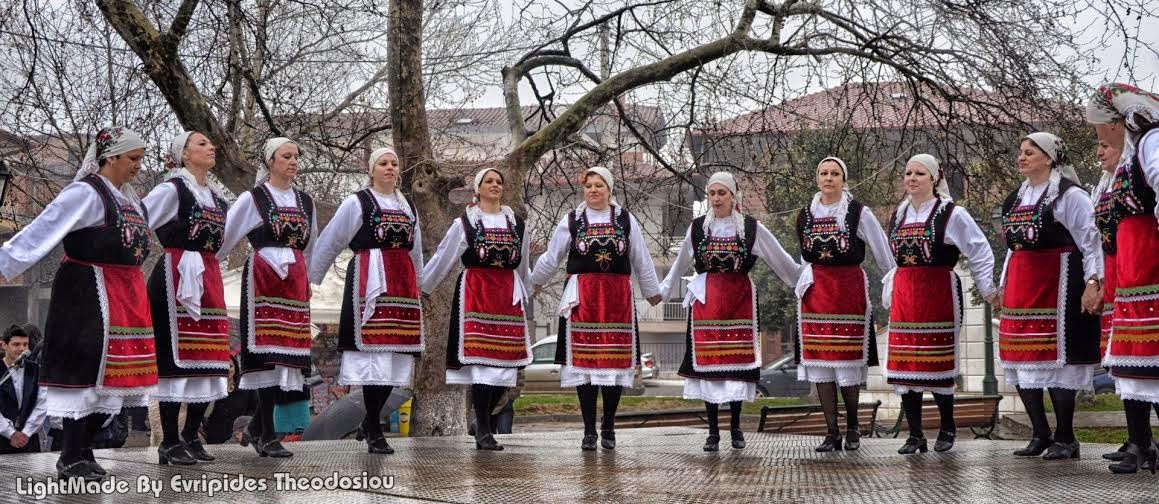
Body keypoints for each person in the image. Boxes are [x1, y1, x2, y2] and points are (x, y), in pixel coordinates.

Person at [0, 126, 158, 480]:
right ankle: (70, 454)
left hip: (124, 295)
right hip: (88, 294)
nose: (138, 166)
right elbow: (42, 230)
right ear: (110, 157)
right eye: (133, 159)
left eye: (140, 159)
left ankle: (84, 450)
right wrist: (4, 263)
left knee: (112, 382)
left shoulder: (130, 200)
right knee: (85, 374)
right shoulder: (85, 194)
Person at [658, 171, 801, 451]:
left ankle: (735, 428)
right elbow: (679, 264)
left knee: (735, 365)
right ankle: (713, 431)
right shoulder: (698, 228)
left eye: (721, 193)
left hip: (739, 300)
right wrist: (661, 291)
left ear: (734, 196)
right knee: (709, 367)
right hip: (707, 302)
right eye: (712, 194)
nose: (716, 199)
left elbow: (780, 259)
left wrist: (802, 279)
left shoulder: (750, 228)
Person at [529, 166, 662, 450]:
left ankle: (609, 426)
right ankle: (589, 430)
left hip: (616, 298)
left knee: (613, 366)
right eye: (588, 185)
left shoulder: (626, 220)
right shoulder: (572, 220)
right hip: (582, 299)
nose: (593, 190)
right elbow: (552, 256)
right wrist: (535, 282)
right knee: (585, 367)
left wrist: (652, 291)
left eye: (599, 185)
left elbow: (641, 257)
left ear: (609, 189)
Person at [308, 146, 423, 455]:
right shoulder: (357, 202)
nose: (389, 168)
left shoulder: (408, 205)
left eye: (394, 163)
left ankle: (369, 423)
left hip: (401, 284)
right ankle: (373, 426)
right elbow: (332, 239)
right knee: (375, 359)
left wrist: (419, 283)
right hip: (370, 279)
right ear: (371, 170)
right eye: (383, 163)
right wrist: (310, 280)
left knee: (395, 358)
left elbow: (416, 249)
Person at [997, 132, 1102, 460]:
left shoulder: (1069, 196)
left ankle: (1066, 437)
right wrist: (1002, 283)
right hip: (1021, 287)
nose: (1022, 157)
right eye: (1021, 152)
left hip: (1059, 283)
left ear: (1050, 157)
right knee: (1020, 360)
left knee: (1059, 364)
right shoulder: (1015, 198)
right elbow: (1012, 249)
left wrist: (1093, 281)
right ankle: (1040, 434)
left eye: (1030, 152)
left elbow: (1090, 240)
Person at [882, 154, 998, 454]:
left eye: (919, 173)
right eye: (907, 173)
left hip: (938, 292)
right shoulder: (898, 214)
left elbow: (979, 250)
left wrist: (988, 288)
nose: (911, 178)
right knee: (906, 367)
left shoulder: (951, 214)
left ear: (934, 178)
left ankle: (947, 427)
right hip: (906, 296)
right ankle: (915, 433)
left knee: (938, 364)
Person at [218, 137, 317, 458]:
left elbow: (311, 244)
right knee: (267, 358)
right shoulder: (254, 199)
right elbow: (227, 236)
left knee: (288, 360)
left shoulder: (306, 202)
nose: (293, 162)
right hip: (263, 279)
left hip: (295, 282)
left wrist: (310, 280)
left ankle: (258, 429)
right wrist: (209, 268)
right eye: (286, 156)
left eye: (296, 157)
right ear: (270, 161)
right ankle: (267, 433)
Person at [421, 167, 531, 450]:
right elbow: (444, 256)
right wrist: (422, 286)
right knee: (482, 366)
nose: (494, 185)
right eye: (489, 181)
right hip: (477, 294)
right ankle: (483, 427)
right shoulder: (466, 223)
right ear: (478, 189)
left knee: (505, 371)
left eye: (498, 182)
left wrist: (529, 291)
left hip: (507, 297)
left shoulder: (516, 224)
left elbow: (523, 265)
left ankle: (481, 419)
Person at [793, 158, 896, 452]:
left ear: (843, 179)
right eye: (823, 173)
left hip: (848, 291)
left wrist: (894, 283)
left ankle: (852, 426)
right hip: (816, 295)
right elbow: (804, 259)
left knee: (847, 365)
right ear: (817, 179)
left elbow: (881, 249)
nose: (828, 178)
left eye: (834, 174)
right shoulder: (805, 214)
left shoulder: (858, 212)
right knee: (822, 368)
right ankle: (831, 432)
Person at [142, 131, 232, 465]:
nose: (211, 147)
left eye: (211, 143)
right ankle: (168, 441)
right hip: (175, 274)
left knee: (207, 361)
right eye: (202, 144)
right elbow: (139, 221)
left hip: (207, 275)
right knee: (174, 362)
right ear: (183, 154)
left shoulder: (218, 197)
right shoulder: (172, 189)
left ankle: (191, 435)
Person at [1086, 82, 1159, 473]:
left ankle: (1142, 444)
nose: (1098, 137)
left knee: (1152, 364)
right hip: (1131, 273)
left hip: (1149, 265)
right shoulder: (1131, 157)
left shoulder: (1151, 141)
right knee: (1137, 365)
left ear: (1116, 122)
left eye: (1100, 128)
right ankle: (1140, 444)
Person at [0, 325, 47, 454]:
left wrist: (26, 433)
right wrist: (10, 433)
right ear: (4, 345)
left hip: (29, 438)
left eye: (25, 345)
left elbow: (42, 403)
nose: (22, 349)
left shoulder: (36, 369)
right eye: (16, 344)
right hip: (2, 437)